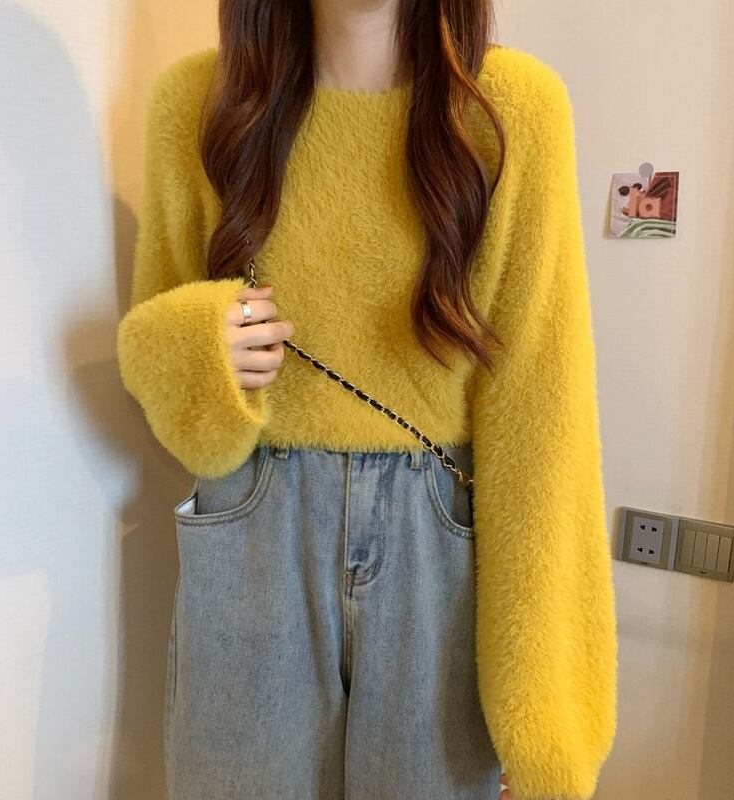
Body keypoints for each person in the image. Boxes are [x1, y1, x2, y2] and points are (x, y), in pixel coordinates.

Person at [116, 1, 618, 798]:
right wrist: (202, 345)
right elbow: (163, 355)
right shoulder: (201, 105)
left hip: (439, 541)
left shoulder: (512, 111)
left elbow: (540, 405)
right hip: (255, 524)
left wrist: (545, 712)